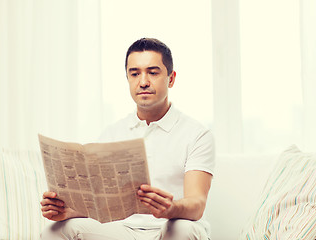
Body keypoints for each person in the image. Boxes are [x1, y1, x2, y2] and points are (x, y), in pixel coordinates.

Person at [40, 38, 215, 240]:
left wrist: (171, 208)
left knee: (182, 229)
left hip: (170, 228)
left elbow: (197, 204)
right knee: (56, 230)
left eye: (153, 72)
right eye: (135, 74)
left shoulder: (197, 134)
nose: (143, 82)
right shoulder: (112, 133)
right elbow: (100, 205)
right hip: (124, 231)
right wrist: (66, 211)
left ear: (171, 78)